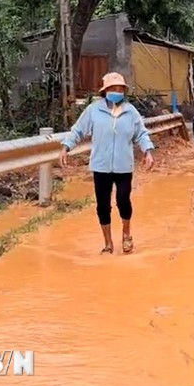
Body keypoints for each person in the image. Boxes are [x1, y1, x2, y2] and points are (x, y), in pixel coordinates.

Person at [59, 72, 155, 255]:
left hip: (123, 166)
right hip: (101, 166)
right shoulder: (94, 110)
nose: (117, 92)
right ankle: (108, 243)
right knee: (103, 205)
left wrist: (148, 151)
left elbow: (141, 134)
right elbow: (78, 130)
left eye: (120, 89)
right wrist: (66, 146)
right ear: (105, 91)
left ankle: (126, 234)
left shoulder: (130, 111)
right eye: (113, 88)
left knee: (123, 200)